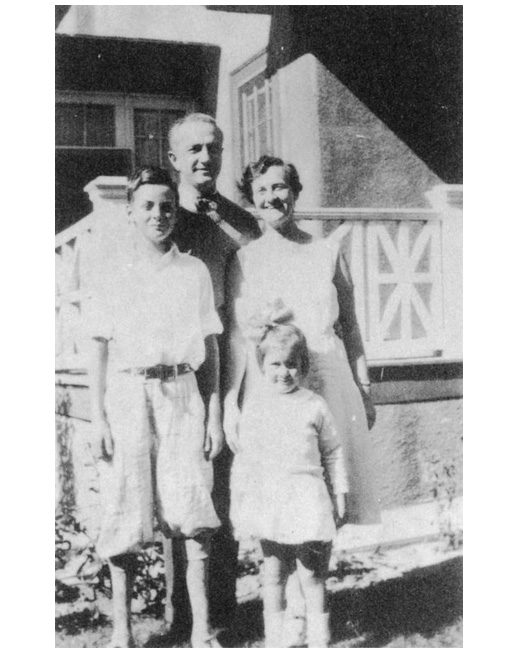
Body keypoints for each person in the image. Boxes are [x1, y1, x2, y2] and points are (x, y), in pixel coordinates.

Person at [224, 155, 380, 645]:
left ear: (295, 191)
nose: (273, 197)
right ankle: (291, 614)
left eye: (281, 187)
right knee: (281, 491)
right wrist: (230, 401)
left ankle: (307, 603)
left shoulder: (327, 251)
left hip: (329, 378)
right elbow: (237, 339)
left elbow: (351, 324)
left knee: (324, 499)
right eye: (263, 191)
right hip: (273, 389)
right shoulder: (246, 259)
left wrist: (364, 387)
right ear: (252, 200)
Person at [87, 166, 224, 648]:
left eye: (167, 206)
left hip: (181, 394)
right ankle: (122, 634)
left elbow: (211, 346)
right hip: (127, 395)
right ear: (130, 211)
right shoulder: (111, 271)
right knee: (124, 506)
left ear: (176, 212)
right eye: (147, 205)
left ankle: (202, 631)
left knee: (192, 508)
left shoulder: (193, 272)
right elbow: (98, 347)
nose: (158, 214)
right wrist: (98, 417)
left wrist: (214, 415)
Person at [166, 113, 262, 635]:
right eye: (194, 149)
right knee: (178, 488)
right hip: (177, 367)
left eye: (214, 148)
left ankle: (222, 613)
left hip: (226, 362)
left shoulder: (239, 221)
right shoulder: (161, 215)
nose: (206, 158)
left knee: (220, 485)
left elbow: (256, 278)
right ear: (174, 159)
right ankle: (179, 614)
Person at [230, 323, 348, 648]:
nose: (284, 372)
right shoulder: (256, 406)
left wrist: (340, 493)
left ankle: (318, 641)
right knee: (273, 575)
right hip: (271, 500)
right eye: (275, 364)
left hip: (308, 497)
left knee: (312, 575)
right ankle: (276, 642)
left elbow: (333, 452)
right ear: (262, 365)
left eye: (292, 364)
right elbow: (246, 461)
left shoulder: (314, 405)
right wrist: (243, 504)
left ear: (303, 365)